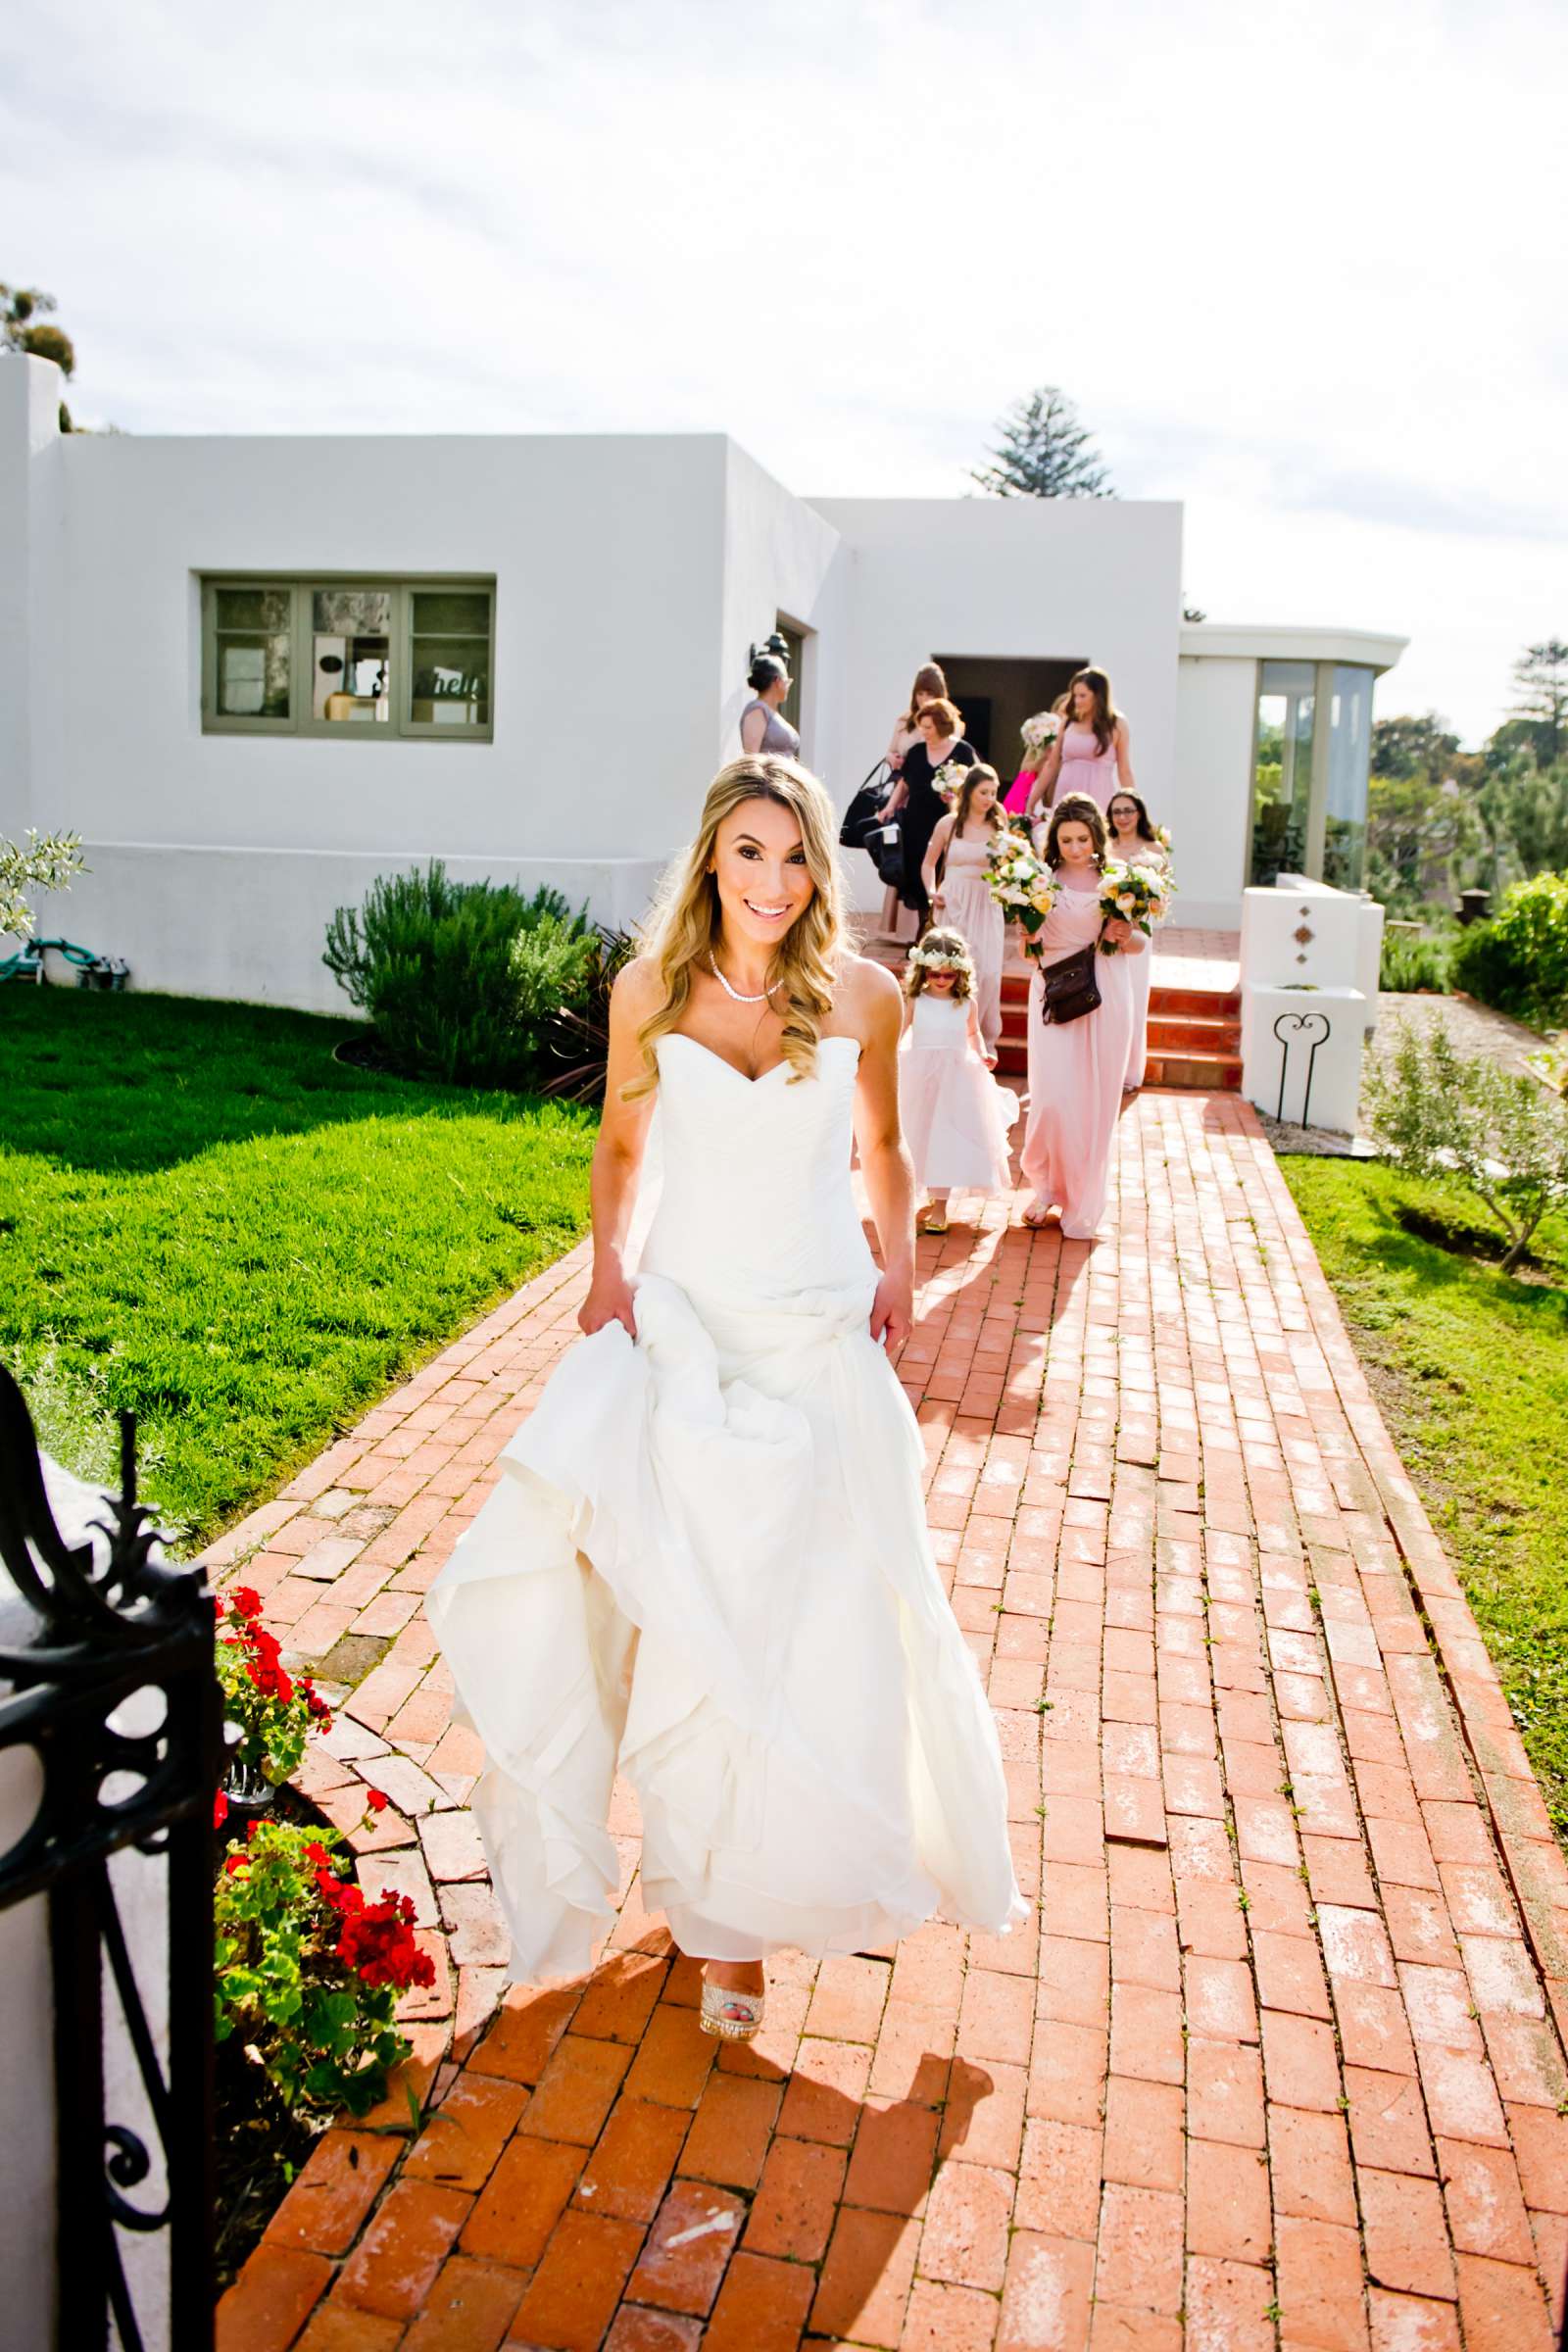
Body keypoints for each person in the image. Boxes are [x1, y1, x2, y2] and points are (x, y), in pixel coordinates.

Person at [427, 755, 1024, 2042]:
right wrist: (607, 1265)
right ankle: (716, 1922)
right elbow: (624, 1147)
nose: (771, 879)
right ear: (711, 856)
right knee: (688, 1628)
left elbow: (882, 1146)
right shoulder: (651, 988)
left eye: (794, 854)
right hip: (688, 1332)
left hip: (815, 1334)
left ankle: (758, 1899)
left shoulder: (862, 992)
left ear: (820, 867)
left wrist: (902, 1264)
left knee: (812, 1626)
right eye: (747, 851)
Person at [1019, 792, 1145, 1239]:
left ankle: (1080, 1196)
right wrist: (1027, 937)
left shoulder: (1118, 879)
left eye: (1083, 839)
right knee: (1051, 1097)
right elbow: (1027, 949)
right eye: (1067, 840)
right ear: (1055, 839)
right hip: (1054, 991)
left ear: (1098, 836)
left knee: (1094, 1102)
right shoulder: (1036, 881)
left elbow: (1141, 943)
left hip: (1107, 989)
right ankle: (1046, 1187)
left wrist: (1124, 932)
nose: (1075, 848)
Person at [899, 927, 1019, 1235]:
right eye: (935, 974)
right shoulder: (916, 999)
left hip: (956, 1078)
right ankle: (927, 1190)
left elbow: (972, 1032)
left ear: (961, 974)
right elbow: (900, 1031)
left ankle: (940, 1205)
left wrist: (982, 1052)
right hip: (920, 1075)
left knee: (947, 1137)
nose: (941, 980)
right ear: (923, 970)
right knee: (920, 1135)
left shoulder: (966, 1003)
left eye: (949, 976)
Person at [921, 763, 1008, 1053]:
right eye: (984, 791)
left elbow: (1008, 864)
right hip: (954, 901)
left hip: (986, 901)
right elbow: (928, 863)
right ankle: (950, 1036)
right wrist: (932, 892)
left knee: (989, 973)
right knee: (953, 967)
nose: (989, 798)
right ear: (970, 791)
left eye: (993, 793)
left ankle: (982, 1040)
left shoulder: (999, 823)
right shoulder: (949, 823)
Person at [880, 697, 976, 928]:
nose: (923, 732)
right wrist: (890, 806)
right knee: (917, 873)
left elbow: (975, 786)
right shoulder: (916, 751)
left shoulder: (962, 751)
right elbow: (905, 784)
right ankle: (924, 927)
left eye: (928, 727)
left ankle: (945, 928)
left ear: (942, 725)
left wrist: (957, 797)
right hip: (916, 823)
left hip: (948, 824)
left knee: (944, 873)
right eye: (921, 726)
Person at [874, 662, 949, 944]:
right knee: (904, 857)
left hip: (932, 798)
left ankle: (929, 926)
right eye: (920, 694)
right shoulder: (905, 720)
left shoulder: (947, 724)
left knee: (930, 858)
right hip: (902, 793)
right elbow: (890, 752)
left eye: (930, 693)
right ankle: (909, 929)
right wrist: (892, 759)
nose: (924, 699)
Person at [1106, 788, 1172, 1092]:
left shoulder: (1155, 849)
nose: (1122, 817)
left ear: (1139, 813)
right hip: (1107, 930)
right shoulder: (1104, 847)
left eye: (1128, 810)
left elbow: (1164, 894)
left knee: (1133, 998)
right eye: (1117, 811)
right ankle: (1105, 1064)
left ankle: (1128, 1071)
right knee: (1110, 999)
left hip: (1138, 932)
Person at [1026, 667, 1135, 819]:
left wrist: (1133, 806)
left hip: (1098, 797)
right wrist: (1032, 801)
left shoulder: (1117, 724)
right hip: (1065, 795)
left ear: (1098, 696)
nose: (1077, 700)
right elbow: (1052, 764)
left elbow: (1124, 770)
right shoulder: (1069, 721)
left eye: (1083, 695)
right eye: (1075, 695)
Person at [739, 652, 801, 759]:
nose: (788, 686)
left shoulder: (772, 712)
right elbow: (751, 759)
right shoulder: (757, 710)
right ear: (777, 681)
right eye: (787, 681)